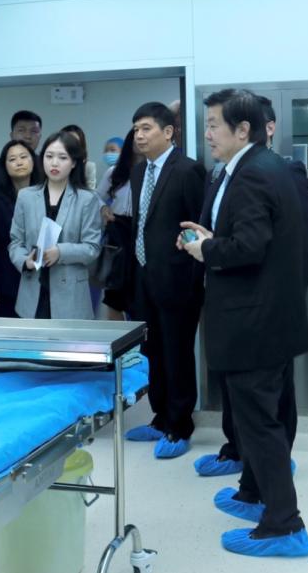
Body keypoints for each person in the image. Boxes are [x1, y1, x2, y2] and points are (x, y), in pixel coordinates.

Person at [180, 88, 308, 558]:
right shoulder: (265, 166)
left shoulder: (254, 173)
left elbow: (250, 248)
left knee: (259, 425)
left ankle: (284, 526)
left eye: (213, 125)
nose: (207, 134)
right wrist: (213, 237)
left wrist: (205, 249)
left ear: (243, 129)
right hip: (267, 319)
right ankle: (255, 495)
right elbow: (259, 237)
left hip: (254, 323)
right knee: (262, 419)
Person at [123, 102, 206, 459]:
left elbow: (198, 226)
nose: (139, 136)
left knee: (177, 353)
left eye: (146, 128)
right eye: (136, 130)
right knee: (152, 352)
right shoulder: (139, 172)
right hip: (144, 277)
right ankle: (160, 418)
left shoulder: (188, 170)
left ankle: (180, 425)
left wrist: (192, 278)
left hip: (179, 281)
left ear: (168, 132)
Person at [9, 131, 102, 319]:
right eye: (49, 156)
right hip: (33, 291)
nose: (54, 163)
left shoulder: (87, 199)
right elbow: (15, 242)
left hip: (71, 297)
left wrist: (60, 252)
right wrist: (25, 261)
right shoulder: (26, 197)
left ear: (74, 162)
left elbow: (92, 248)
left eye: (62, 158)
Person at [0, 139, 41, 317]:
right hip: (5, 278)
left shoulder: (47, 194)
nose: (19, 162)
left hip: (41, 276)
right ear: (4, 166)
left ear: (33, 160)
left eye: (24, 157)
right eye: (12, 159)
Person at [94, 131, 140, 320]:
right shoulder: (115, 171)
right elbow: (97, 197)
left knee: (138, 292)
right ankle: (119, 336)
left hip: (142, 230)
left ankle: (140, 335)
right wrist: (104, 207)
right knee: (114, 292)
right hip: (118, 229)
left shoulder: (154, 171)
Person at [0, 110, 43, 187]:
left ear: (40, 136)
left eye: (34, 131)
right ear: (12, 135)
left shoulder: (45, 164)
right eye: (21, 130)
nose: (28, 136)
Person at [60, 124, 98, 189]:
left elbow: (91, 192)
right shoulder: (53, 164)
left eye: (75, 142)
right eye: (67, 141)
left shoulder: (88, 166)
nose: (71, 145)